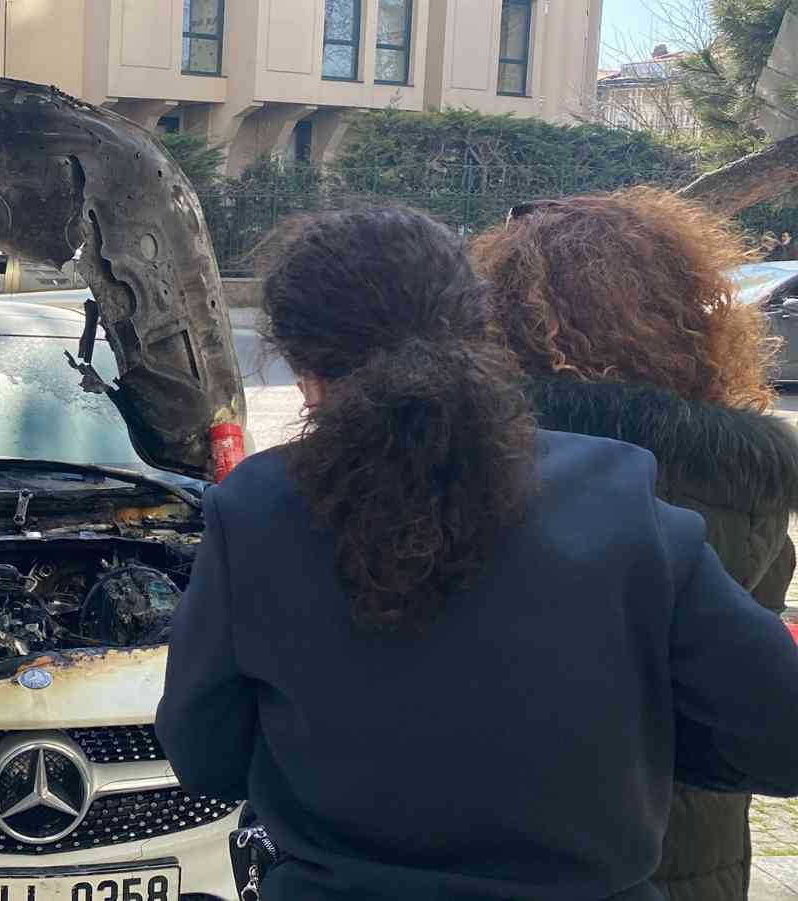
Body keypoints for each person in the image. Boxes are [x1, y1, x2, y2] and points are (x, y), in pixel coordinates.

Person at [154, 206, 798, 901]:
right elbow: (779, 736)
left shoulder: (254, 510)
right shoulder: (620, 498)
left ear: (303, 368)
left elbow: (204, 752)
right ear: (479, 329)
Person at [473, 187, 798, 901]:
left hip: (504, 832)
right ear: (690, 317)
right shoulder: (746, 477)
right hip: (686, 840)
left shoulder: (472, 460)